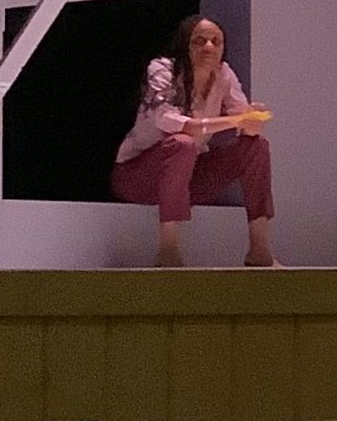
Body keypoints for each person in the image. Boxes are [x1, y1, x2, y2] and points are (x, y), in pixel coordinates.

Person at [114, 14, 276, 268]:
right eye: (199, 41)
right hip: (138, 176)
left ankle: (260, 249)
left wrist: (253, 121)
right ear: (185, 46)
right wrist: (238, 120)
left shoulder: (223, 73)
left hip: (187, 178)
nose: (209, 47)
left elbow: (243, 122)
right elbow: (171, 122)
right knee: (182, 144)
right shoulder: (163, 69)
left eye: (216, 41)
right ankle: (168, 250)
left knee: (257, 146)